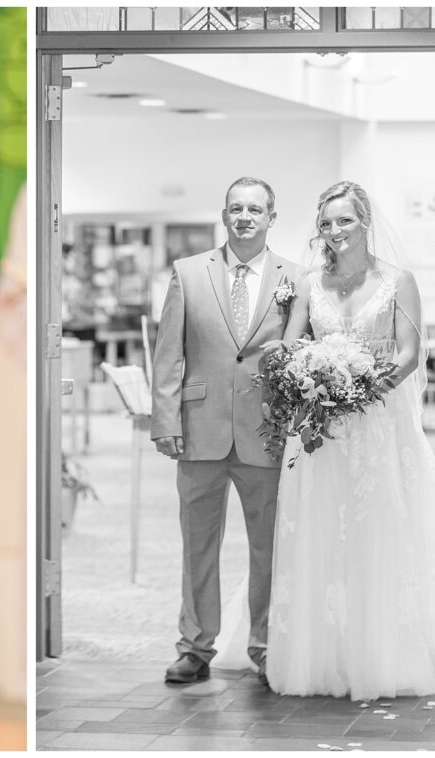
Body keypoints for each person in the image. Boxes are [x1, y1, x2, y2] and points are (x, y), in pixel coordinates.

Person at [264, 180, 435, 700]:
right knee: (321, 524)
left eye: (345, 220)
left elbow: (409, 353)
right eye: (327, 223)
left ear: (366, 223)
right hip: (319, 423)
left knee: (379, 525)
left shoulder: (397, 281)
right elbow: (294, 344)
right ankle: (324, 654)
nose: (335, 231)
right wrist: (309, 378)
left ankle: (381, 650)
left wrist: (360, 391)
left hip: (377, 423)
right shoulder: (309, 283)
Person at [151, 177, 301, 685]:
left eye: (255, 209)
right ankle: (194, 648)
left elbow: (300, 354)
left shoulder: (295, 279)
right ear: (224, 215)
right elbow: (169, 354)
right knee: (198, 546)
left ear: (271, 218)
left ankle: (264, 646)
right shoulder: (188, 273)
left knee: (269, 548)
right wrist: (166, 421)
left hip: (266, 433)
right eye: (236, 208)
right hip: (199, 432)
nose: (244, 217)